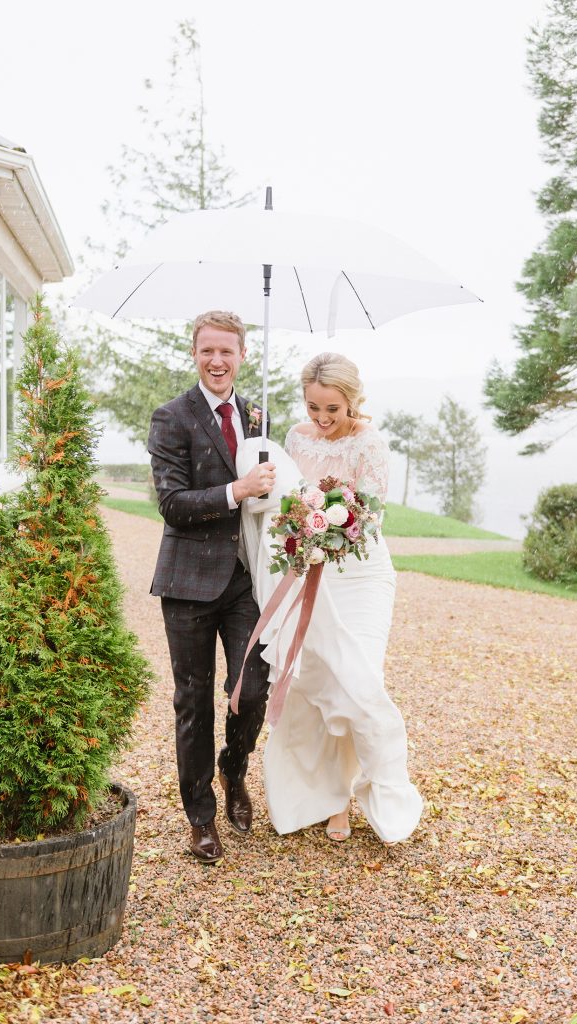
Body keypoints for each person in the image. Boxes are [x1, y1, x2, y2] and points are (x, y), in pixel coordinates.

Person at [236, 352, 422, 848]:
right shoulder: (296, 437)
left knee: (357, 679)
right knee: (315, 681)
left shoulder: (370, 443)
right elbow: (284, 503)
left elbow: (371, 517)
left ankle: (366, 788)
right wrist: (291, 523)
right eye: (314, 407)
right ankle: (323, 794)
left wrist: (329, 525)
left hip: (361, 577)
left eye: (332, 410)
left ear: (352, 402)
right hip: (310, 574)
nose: (321, 419)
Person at [148, 310, 275, 863]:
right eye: (207, 351)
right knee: (194, 702)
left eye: (227, 351)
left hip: (245, 578)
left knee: (253, 687)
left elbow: (275, 495)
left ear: (242, 354)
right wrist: (239, 489)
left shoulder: (259, 415)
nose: (217, 360)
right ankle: (199, 815)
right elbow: (172, 505)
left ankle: (234, 768)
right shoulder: (171, 417)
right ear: (195, 354)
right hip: (188, 581)